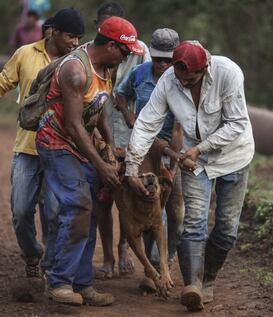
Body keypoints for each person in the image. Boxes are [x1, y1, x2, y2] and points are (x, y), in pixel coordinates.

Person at [125, 41, 254, 311]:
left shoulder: (228, 73)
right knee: (193, 223)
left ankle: (208, 279)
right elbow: (147, 122)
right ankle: (192, 285)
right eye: (180, 79)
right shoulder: (170, 80)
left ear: (205, 69)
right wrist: (132, 166)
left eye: (191, 80)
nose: (184, 84)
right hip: (195, 162)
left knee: (227, 231)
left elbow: (237, 123)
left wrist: (200, 147)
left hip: (234, 156)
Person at [36, 16, 144, 306]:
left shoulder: (107, 66)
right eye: (124, 52)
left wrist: (109, 146)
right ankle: (59, 282)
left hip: (83, 144)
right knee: (79, 203)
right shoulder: (75, 70)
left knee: (92, 208)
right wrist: (101, 164)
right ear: (110, 46)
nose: (126, 58)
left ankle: (82, 284)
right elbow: (72, 125)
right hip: (57, 143)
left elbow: (102, 110)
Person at [0, 8, 85, 280]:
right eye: (71, 36)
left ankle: (50, 266)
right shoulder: (25, 54)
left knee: (54, 212)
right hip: (28, 147)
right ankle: (32, 253)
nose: (75, 42)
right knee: (21, 210)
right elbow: (0, 86)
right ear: (54, 32)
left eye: (79, 38)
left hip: (62, 150)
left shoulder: (79, 62)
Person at [115, 28, 184, 292]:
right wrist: (127, 114)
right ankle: (152, 269)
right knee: (149, 206)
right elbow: (120, 96)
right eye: (159, 60)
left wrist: (173, 166)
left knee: (176, 214)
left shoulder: (182, 80)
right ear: (151, 56)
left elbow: (179, 128)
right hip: (143, 149)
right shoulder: (140, 74)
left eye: (169, 60)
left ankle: (163, 261)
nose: (164, 65)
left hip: (172, 150)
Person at [91, 1, 150, 279]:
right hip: (98, 135)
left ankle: (124, 246)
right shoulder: (89, 55)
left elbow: (151, 92)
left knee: (127, 196)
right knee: (102, 199)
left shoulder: (140, 53)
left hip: (129, 133)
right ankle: (108, 256)